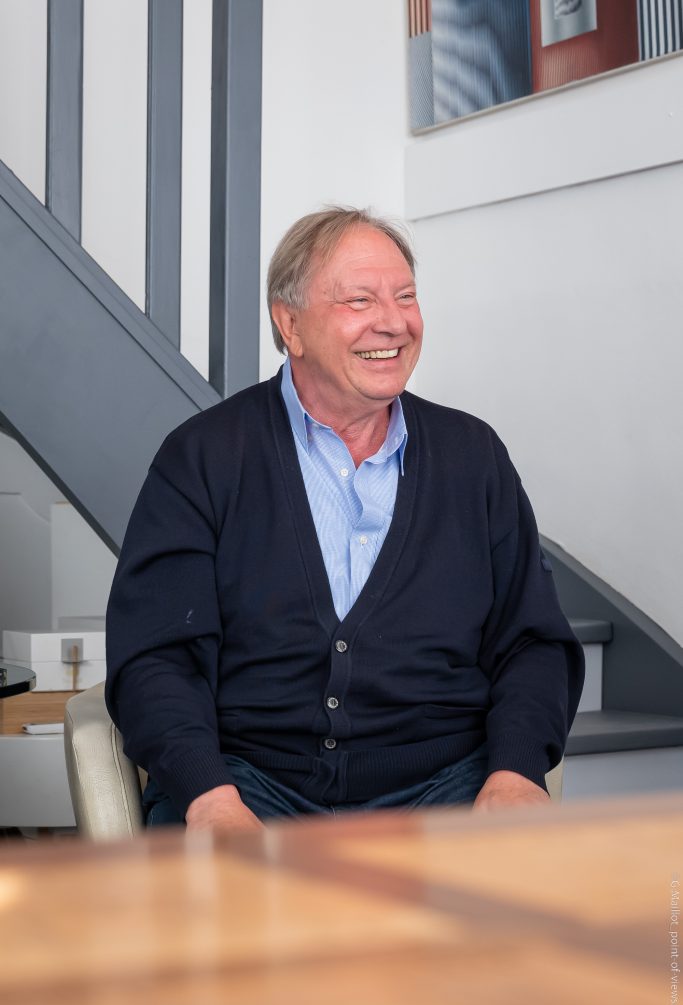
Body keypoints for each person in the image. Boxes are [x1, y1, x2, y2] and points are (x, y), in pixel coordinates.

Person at [105, 206, 584, 832]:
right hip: (250, 786)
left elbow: (534, 642)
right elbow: (156, 658)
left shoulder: (473, 456)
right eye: (360, 300)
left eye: (405, 296)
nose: (394, 321)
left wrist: (515, 772)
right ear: (291, 325)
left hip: (446, 783)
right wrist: (208, 795)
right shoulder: (204, 457)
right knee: (207, 891)